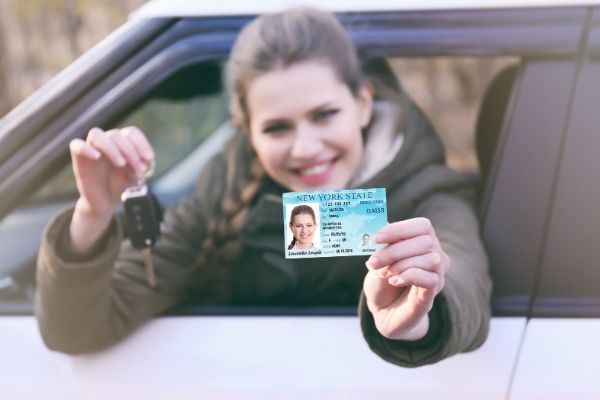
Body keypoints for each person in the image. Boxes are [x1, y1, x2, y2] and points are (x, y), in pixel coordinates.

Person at [36, 6, 491, 366]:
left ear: (363, 103)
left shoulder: (429, 195)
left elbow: (464, 278)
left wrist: (416, 318)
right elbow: (77, 329)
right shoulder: (221, 193)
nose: (305, 148)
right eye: (277, 128)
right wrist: (94, 213)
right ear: (247, 131)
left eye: (324, 115)